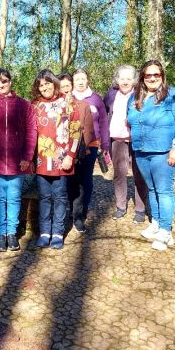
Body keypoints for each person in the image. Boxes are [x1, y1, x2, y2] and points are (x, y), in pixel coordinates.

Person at [127, 60, 175, 251]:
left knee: (164, 190)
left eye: (156, 74)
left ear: (162, 76)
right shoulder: (136, 97)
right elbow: (130, 120)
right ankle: (156, 223)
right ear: (143, 78)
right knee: (152, 189)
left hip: (163, 152)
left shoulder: (174, 96)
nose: (153, 78)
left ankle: (165, 230)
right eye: (148, 75)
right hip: (141, 150)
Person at [0, 68, 37, 252]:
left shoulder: (25, 106)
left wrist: (27, 156)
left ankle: (11, 233)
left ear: (10, 81)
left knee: (14, 198)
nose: (1, 85)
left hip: (18, 162)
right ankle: (0, 233)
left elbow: (32, 133)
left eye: (4, 81)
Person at [31, 70, 81, 249]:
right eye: (41, 85)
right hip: (41, 160)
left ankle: (58, 232)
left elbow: (76, 132)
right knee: (44, 197)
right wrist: (29, 157)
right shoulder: (35, 105)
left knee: (59, 197)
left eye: (47, 83)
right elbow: (30, 134)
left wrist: (71, 155)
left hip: (62, 159)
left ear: (54, 83)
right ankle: (45, 231)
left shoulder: (67, 102)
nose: (44, 87)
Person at [103, 65, 149, 223]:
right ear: (117, 80)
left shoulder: (140, 93)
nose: (125, 81)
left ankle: (141, 209)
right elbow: (104, 114)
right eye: (122, 78)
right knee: (119, 174)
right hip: (117, 139)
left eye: (129, 78)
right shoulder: (111, 94)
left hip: (137, 140)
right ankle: (121, 206)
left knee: (140, 174)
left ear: (134, 80)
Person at [68, 69, 110, 232]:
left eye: (83, 78)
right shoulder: (67, 98)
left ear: (87, 81)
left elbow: (104, 122)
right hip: (69, 147)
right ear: (72, 81)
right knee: (71, 180)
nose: (80, 81)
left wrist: (105, 144)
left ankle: (81, 212)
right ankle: (71, 210)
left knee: (85, 179)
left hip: (91, 145)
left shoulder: (96, 99)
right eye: (77, 79)